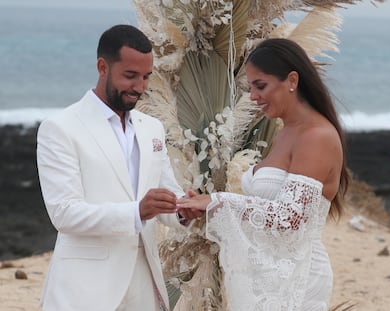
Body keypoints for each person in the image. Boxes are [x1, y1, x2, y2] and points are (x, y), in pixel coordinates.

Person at [177, 38, 350, 311]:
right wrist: (202, 206)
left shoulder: (317, 136)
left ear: (291, 80)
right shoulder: (285, 132)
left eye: (261, 86)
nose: (254, 96)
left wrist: (218, 202)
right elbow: (263, 213)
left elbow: (290, 218)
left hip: (298, 277)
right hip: (269, 275)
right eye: (250, 87)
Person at [36, 24, 201, 311]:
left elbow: (164, 195)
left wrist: (183, 210)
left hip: (144, 282)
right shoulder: (60, 128)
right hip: (85, 288)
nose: (140, 87)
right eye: (130, 76)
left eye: (147, 77)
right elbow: (64, 213)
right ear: (103, 67)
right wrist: (137, 211)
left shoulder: (153, 128)